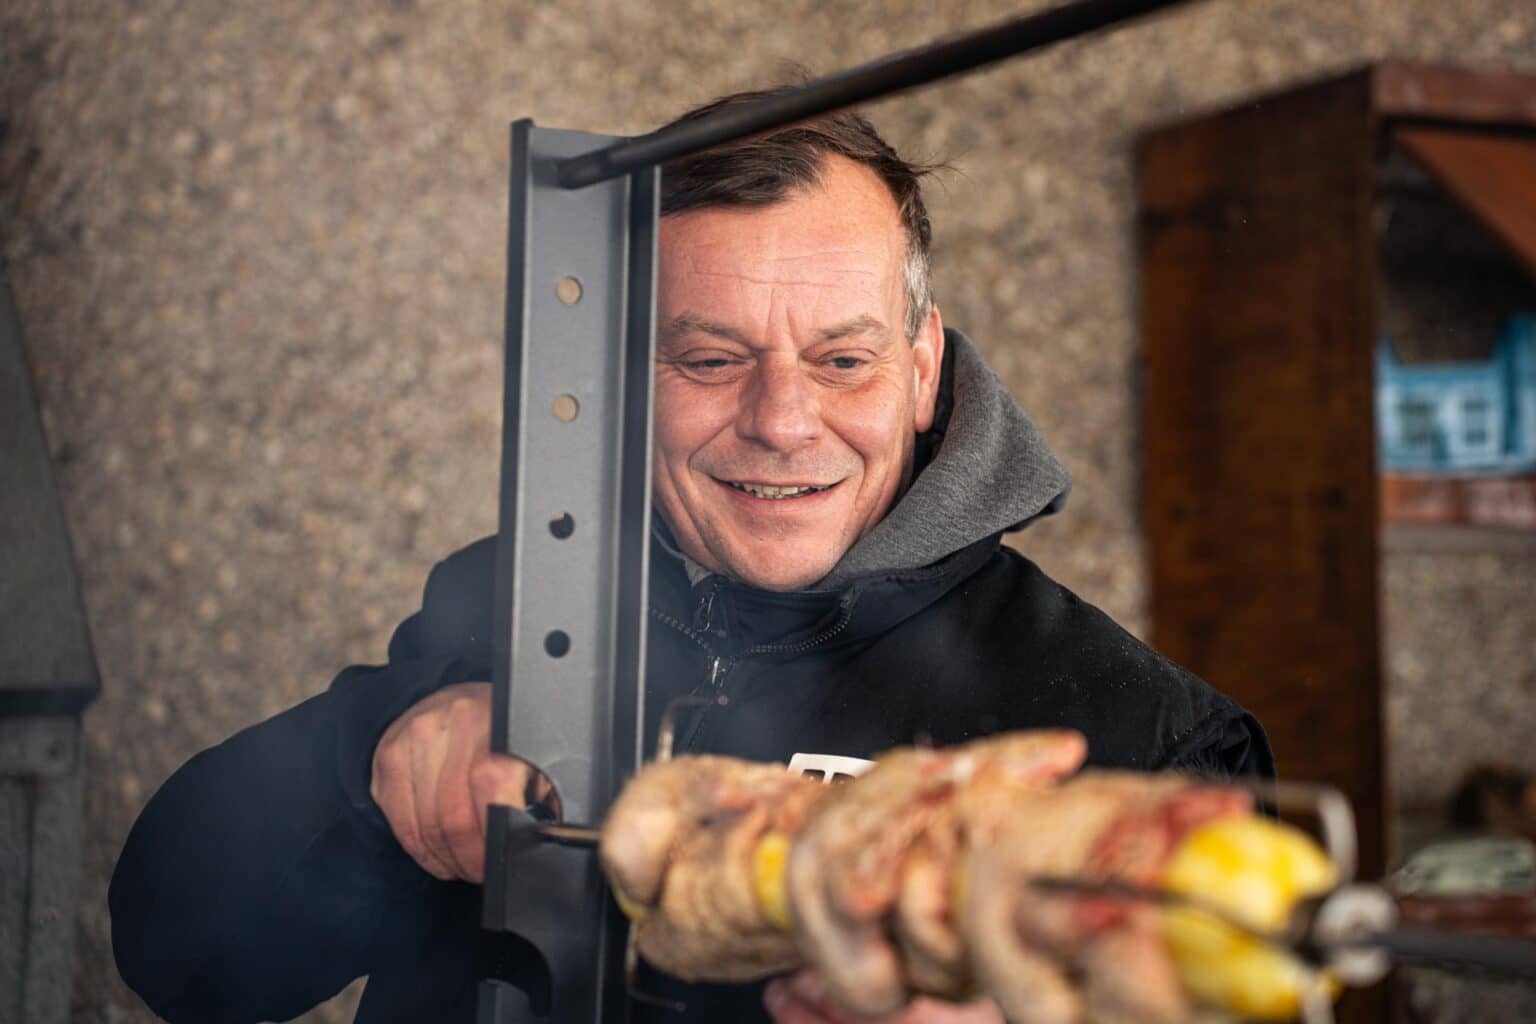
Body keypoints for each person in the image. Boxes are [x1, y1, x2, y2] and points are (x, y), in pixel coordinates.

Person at [110, 90, 1273, 1024]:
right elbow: (177, 954)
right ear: (623, 374)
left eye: (843, 361)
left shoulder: (1146, 741)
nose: (783, 421)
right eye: (712, 360)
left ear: (923, 369)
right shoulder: (506, 604)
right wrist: (369, 778)